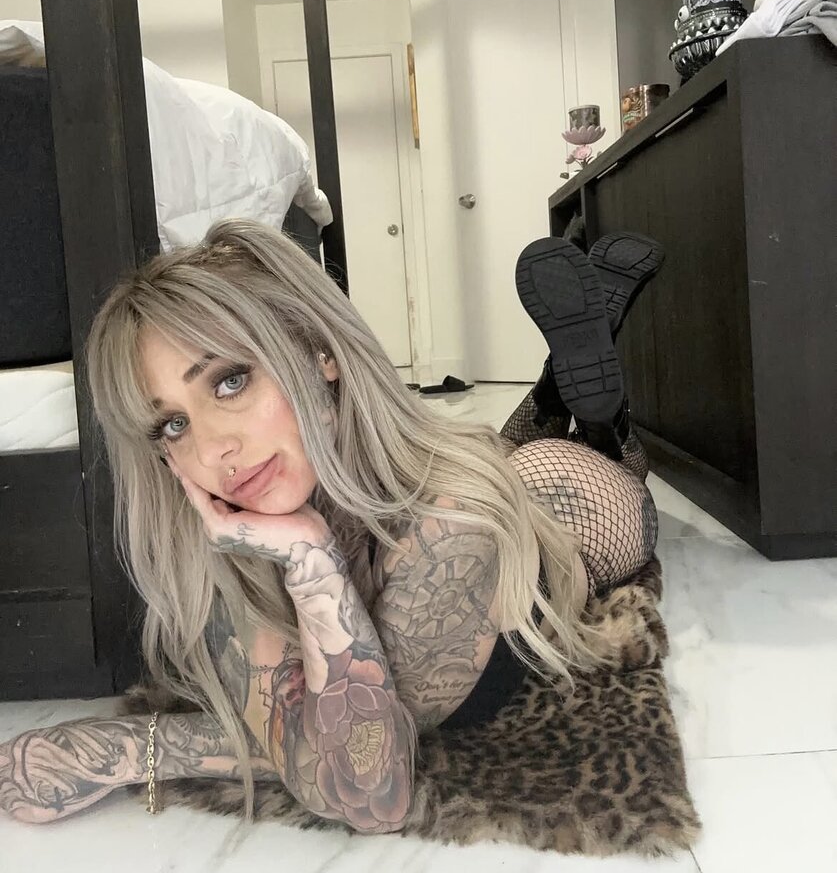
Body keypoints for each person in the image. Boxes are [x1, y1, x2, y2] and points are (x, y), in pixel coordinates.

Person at [0, 219, 662, 832]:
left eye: (229, 382)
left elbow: (364, 786)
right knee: (495, 445)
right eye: (173, 424)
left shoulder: (449, 536)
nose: (214, 450)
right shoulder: (232, 529)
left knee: (578, 465)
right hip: (432, 477)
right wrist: (300, 552)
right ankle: (553, 389)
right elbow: (297, 730)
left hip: (565, 514)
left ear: (320, 352)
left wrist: (128, 749)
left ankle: (605, 424)